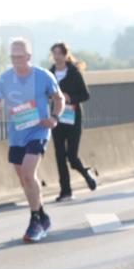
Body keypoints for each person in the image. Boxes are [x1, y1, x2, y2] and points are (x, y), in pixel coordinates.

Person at [0, 38, 65, 241]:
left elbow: (59, 99)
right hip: (17, 134)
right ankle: (42, 215)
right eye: (13, 57)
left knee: (29, 174)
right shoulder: (5, 78)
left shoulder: (43, 76)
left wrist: (55, 118)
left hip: (38, 131)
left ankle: (35, 221)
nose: (16, 61)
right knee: (24, 179)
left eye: (20, 57)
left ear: (29, 57)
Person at [48, 41, 97, 202]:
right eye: (54, 53)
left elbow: (85, 95)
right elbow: (45, 93)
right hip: (57, 117)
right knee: (60, 155)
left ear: (65, 55)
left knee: (72, 156)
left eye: (59, 53)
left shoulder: (74, 72)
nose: (56, 57)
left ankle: (85, 173)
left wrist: (70, 98)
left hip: (73, 118)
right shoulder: (50, 73)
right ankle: (66, 191)